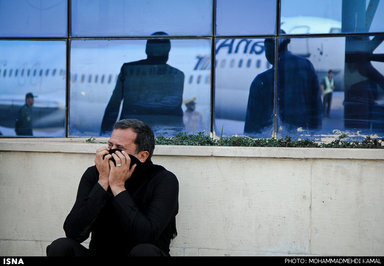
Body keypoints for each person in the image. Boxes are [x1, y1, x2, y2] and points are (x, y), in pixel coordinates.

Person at [47, 119, 179, 256]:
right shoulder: (95, 174)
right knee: (61, 246)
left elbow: (147, 236)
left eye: (120, 148)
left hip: (142, 253)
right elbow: (73, 233)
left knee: (144, 252)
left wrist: (118, 187)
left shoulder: (163, 180)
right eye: (110, 145)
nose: (110, 152)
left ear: (142, 155)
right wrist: (103, 182)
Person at [100, 32, 185, 136]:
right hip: (167, 134)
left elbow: (113, 106)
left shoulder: (129, 70)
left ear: (146, 50)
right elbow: (174, 111)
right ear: (168, 53)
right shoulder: (178, 75)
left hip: (132, 133)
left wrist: (105, 133)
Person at [244, 34, 323, 134]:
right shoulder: (307, 67)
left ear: (271, 47)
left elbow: (251, 129)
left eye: (266, 48)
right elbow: (317, 110)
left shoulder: (262, 81)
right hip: (304, 139)